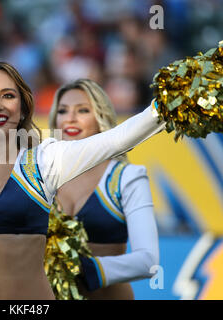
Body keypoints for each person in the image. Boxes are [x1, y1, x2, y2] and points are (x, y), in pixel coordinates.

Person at [0, 61, 165, 300]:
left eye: (8, 95)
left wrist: (166, 104)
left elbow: (117, 139)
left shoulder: (45, 160)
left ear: (23, 109)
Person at [48, 78, 159, 299]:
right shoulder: (39, 177)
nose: (70, 118)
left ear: (101, 118)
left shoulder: (126, 177)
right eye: (62, 111)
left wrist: (84, 269)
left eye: (82, 110)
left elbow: (148, 261)